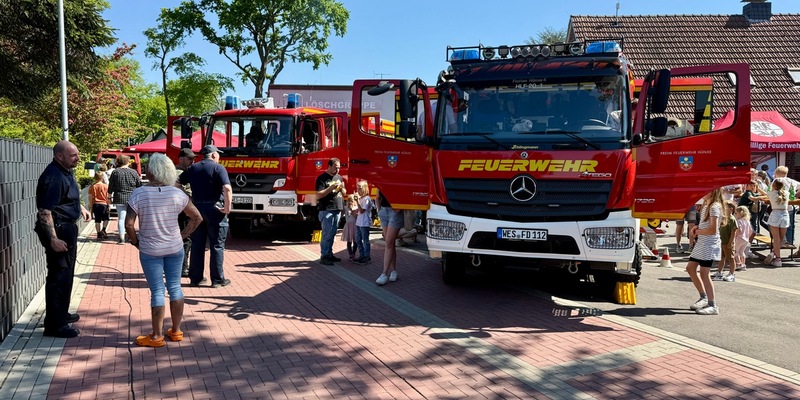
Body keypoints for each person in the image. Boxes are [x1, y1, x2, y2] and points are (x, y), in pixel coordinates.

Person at [126, 154, 202, 347]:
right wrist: (182, 235)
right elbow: (197, 218)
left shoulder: (139, 193)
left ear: (152, 171)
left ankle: (156, 336)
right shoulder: (178, 193)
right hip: (174, 247)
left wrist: (136, 242)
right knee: (175, 287)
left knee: (157, 290)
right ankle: (176, 331)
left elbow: (129, 224)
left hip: (150, 249)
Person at [35, 140, 92, 338]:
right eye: (73, 155)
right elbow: (45, 211)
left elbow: (67, 199)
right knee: (59, 275)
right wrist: (53, 238)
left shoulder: (66, 171)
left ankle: (60, 314)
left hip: (67, 227)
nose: (78, 158)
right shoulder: (53, 176)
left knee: (66, 274)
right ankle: (54, 325)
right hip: (58, 230)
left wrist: (81, 208)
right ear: (60, 156)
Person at [178, 145, 233, 287]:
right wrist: (227, 207)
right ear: (214, 155)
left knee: (197, 244)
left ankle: (196, 278)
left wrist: (187, 199)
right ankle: (217, 280)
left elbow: (176, 183)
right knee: (217, 245)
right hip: (215, 208)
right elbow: (227, 188)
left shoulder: (193, 168)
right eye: (218, 154)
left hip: (196, 208)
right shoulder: (218, 168)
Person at [686, 187, 724, 315]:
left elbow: (713, 229)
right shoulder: (707, 205)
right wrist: (698, 227)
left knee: (704, 273)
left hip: (709, 243)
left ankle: (713, 305)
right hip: (703, 242)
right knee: (691, 268)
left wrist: (698, 231)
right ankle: (704, 297)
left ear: (713, 191)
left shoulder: (714, 207)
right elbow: (707, 224)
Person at [315, 158, 345, 266]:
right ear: (329, 166)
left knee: (332, 234)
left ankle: (329, 254)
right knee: (326, 234)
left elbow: (345, 193)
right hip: (326, 209)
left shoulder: (339, 177)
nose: (337, 170)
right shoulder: (322, 178)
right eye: (335, 167)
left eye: (339, 168)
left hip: (337, 209)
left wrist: (341, 188)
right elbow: (318, 195)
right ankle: (324, 256)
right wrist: (330, 188)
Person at [753, 179, 790, 267]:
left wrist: (758, 189)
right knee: (782, 239)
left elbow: (764, 195)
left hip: (775, 214)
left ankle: (777, 258)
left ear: (773, 185)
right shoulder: (786, 193)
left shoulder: (771, 193)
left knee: (776, 239)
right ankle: (775, 255)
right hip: (785, 214)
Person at [108, 155, 142, 244]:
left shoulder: (115, 172)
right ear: (128, 162)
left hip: (119, 197)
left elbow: (110, 186)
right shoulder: (133, 172)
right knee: (131, 219)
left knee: (121, 218)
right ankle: (131, 236)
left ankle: (122, 238)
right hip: (132, 198)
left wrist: (108, 197)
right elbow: (139, 185)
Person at [375, 189, 403, 285]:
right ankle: (393, 271)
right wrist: (378, 210)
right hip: (384, 211)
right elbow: (377, 197)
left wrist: (399, 207)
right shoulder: (382, 180)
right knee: (390, 243)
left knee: (389, 243)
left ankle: (384, 273)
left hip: (395, 212)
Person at [176, 148, 195, 277]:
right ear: (181, 158)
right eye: (190, 159)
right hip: (182, 210)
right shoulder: (177, 173)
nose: (192, 161)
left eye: (193, 159)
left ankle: (179, 266)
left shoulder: (188, 171)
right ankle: (183, 267)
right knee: (185, 238)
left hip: (177, 210)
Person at [711, 201, 738, 282]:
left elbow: (733, 232)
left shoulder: (732, 219)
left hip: (728, 242)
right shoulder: (723, 218)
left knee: (731, 258)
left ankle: (732, 274)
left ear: (731, 209)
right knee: (721, 258)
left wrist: (730, 243)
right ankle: (719, 272)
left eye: (725, 208)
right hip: (721, 242)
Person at [87, 170, 110, 240]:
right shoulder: (106, 186)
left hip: (96, 204)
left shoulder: (92, 187)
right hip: (104, 204)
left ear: (94, 177)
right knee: (106, 218)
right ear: (102, 178)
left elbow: (90, 197)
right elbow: (108, 197)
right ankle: (103, 229)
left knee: (97, 220)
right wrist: (109, 205)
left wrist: (91, 206)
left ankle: (98, 233)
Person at [354, 181, 373, 264]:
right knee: (358, 239)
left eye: (360, 188)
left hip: (364, 223)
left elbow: (362, 211)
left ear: (365, 188)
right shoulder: (361, 198)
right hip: (359, 222)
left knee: (365, 240)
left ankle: (367, 256)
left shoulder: (367, 199)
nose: (358, 190)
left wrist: (357, 201)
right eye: (357, 188)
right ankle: (362, 255)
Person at [733, 206, 753, 272]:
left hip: (739, 238)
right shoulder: (747, 221)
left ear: (740, 213)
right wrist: (747, 236)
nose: (735, 214)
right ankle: (743, 264)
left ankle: (738, 264)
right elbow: (751, 231)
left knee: (736, 251)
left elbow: (739, 230)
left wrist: (734, 235)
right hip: (745, 239)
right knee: (742, 252)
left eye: (736, 213)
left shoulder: (739, 221)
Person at [341, 194, 359, 262]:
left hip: (354, 225)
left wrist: (352, 211)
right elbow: (342, 211)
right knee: (349, 241)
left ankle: (353, 253)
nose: (350, 202)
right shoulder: (346, 208)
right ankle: (350, 254)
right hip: (348, 226)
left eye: (352, 201)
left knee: (355, 241)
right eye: (349, 201)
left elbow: (357, 217)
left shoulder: (356, 208)